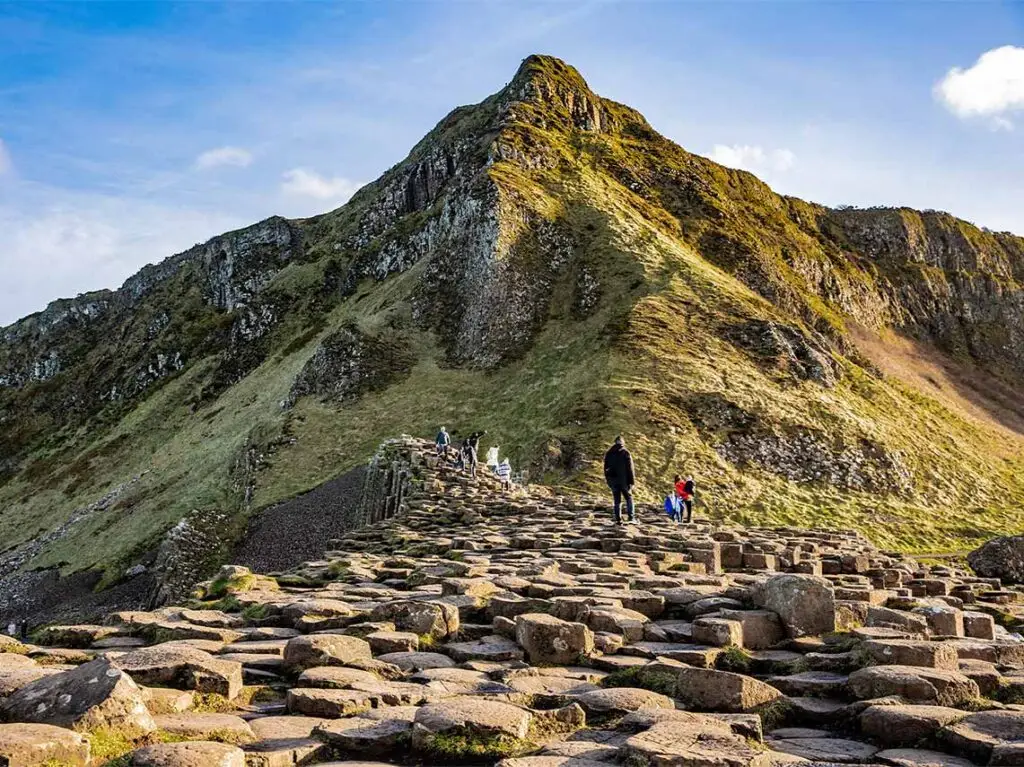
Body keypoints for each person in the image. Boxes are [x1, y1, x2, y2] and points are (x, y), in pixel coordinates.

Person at [603, 435, 636, 524]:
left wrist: (609, 481)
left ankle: (618, 519)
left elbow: (605, 468)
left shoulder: (609, 453)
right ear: (622, 443)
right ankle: (631, 517)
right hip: (624, 481)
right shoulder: (625, 452)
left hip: (613, 481)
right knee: (629, 498)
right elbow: (630, 469)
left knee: (617, 500)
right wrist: (632, 482)